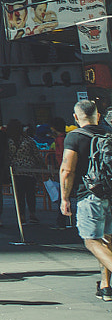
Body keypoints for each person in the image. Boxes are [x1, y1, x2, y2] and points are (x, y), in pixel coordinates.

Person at [59, 99, 112, 301]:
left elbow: (67, 169)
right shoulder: (109, 134)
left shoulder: (74, 137)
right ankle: (106, 287)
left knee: (91, 242)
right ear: (98, 116)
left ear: (75, 117)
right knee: (107, 239)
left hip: (90, 195)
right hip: (110, 194)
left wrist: (64, 198)